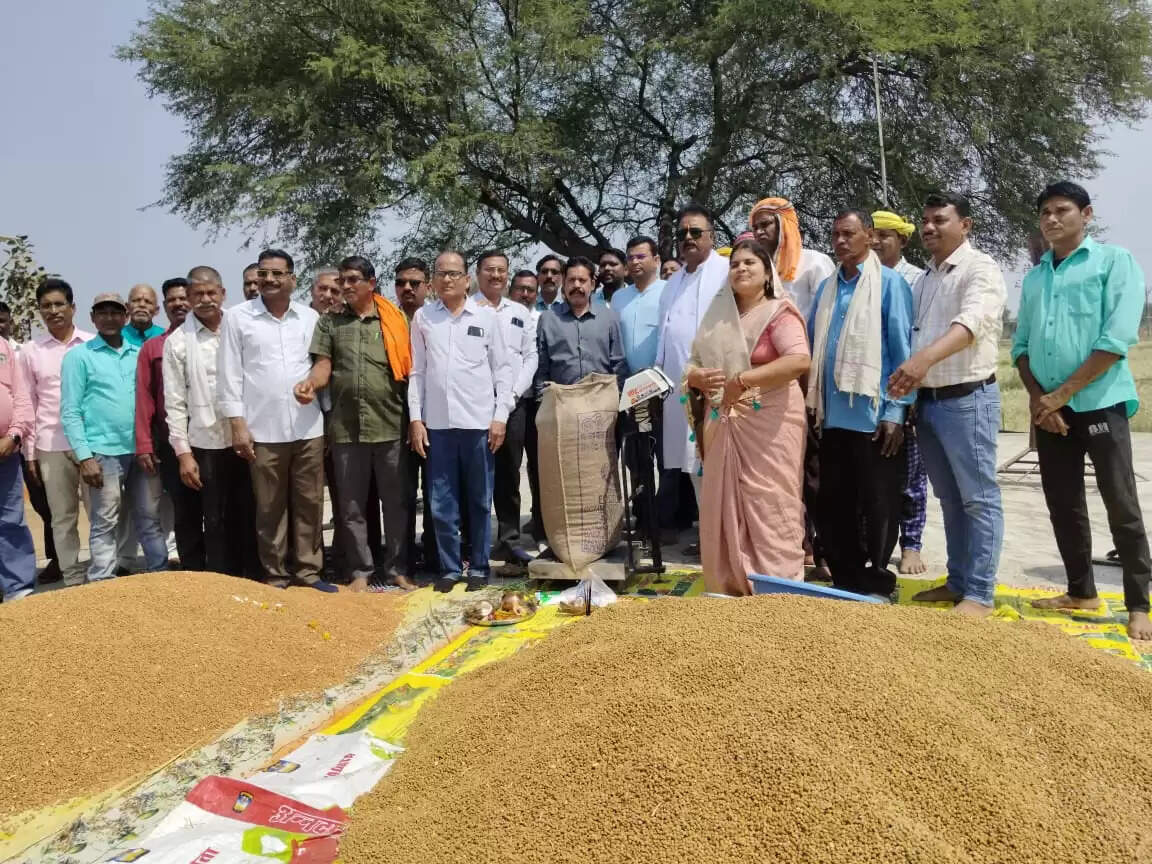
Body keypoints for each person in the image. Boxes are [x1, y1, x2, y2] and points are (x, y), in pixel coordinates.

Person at [1010, 182, 1150, 640]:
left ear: (1085, 214)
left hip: (1099, 404)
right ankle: (1081, 591)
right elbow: (1022, 346)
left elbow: (1115, 340)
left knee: (1121, 503)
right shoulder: (1035, 277)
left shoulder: (1114, 263)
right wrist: (1039, 400)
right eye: (1044, 212)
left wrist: (1062, 394)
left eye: (1062, 210)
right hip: (1050, 413)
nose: (1051, 219)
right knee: (1063, 503)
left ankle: (1139, 603)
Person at [888, 192, 1006, 616]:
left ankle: (980, 593)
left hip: (968, 398)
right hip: (930, 404)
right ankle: (958, 582)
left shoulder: (981, 269)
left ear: (966, 225)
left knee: (978, 499)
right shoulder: (925, 279)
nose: (930, 228)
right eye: (925, 220)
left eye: (940, 219)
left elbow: (970, 325)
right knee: (950, 499)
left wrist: (922, 361)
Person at [684, 239, 809, 594]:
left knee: (770, 501)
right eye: (735, 264)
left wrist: (744, 379)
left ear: (767, 273)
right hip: (723, 421)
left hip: (769, 421)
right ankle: (728, 582)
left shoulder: (778, 312)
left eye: (750, 263)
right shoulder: (718, 317)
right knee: (721, 502)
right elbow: (692, 364)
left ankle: (777, 586)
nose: (741, 268)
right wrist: (695, 377)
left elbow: (799, 361)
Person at [807, 210, 913, 598]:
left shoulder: (890, 285)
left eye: (848, 233)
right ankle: (845, 581)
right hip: (832, 418)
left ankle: (878, 582)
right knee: (833, 505)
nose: (840, 241)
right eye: (835, 235)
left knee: (879, 506)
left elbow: (902, 353)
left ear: (869, 236)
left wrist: (895, 411)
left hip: (874, 420)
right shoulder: (826, 289)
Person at [295, 255, 417, 592]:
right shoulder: (330, 323)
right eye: (342, 281)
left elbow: (412, 375)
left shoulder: (394, 321)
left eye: (352, 280)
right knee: (350, 506)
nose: (345, 287)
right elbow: (323, 365)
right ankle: (361, 571)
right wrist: (312, 383)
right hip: (347, 429)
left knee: (396, 504)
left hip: (391, 424)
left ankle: (397, 570)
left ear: (370, 284)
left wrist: (415, 421)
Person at [218, 249, 335, 591]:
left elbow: (321, 363)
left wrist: (312, 382)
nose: (268, 280)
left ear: (292, 279)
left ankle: (309, 573)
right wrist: (237, 424)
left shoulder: (309, 317)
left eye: (277, 274)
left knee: (310, 503)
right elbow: (229, 374)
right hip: (262, 428)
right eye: (263, 274)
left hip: (307, 426)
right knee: (269, 508)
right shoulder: (238, 317)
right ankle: (276, 574)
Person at [408, 251, 513, 593]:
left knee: (481, 501)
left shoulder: (486, 318)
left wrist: (500, 417)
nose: (447, 279)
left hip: (479, 424)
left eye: (454, 273)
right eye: (441, 273)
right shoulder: (424, 318)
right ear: (433, 280)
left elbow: (503, 371)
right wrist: (415, 419)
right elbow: (418, 373)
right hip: (438, 426)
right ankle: (450, 568)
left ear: (467, 279)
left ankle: (480, 566)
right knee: (441, 502)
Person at [60, 293, 168, 582]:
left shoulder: (139, 352)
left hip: (140, 450)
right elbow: (70, 412)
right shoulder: (78, 357)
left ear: (126, 316)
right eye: (102, 312)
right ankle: (102, 583)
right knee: (105, 520)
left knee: (148, 517)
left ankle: (160, 575)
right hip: (102, 453)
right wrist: (84, 457)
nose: (109, 318)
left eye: (116, 312)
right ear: (93, 317)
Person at [164, 266, 260, 580]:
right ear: (189, 298)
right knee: (216, 519)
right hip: (206, 442)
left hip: (250, 436)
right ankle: (223, 586)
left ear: (223, 294)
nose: (205, 300)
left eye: (211, 293)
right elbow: (175, 402)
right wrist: (183, 454)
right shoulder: (178, 343)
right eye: (198, 294)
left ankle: (257, 580)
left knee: (252, 512)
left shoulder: (241, 327)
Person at [656, 204, 730, 553]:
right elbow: (665, 335)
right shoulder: (672, 281)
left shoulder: (727, 272)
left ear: (712, 237)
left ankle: (725, 539)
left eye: (695, 232)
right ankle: (708, 536)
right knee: (692, 465)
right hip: (678, 390)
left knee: (717, 464)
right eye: (683, 233)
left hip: (716, 387)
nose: (688, 238)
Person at [21, 279, 93, 587]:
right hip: (50, 443)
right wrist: (30, 454)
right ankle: (73, 577)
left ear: (72, 307)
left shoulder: (92, 344)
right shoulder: (30, 352)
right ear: (39, 312)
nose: (53, 311)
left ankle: (106, 572)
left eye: (59, 304)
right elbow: (27, 402)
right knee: (62, 516)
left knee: (101, 512)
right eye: (46, 306)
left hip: (92, 443)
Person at [872, 210, 929, 576]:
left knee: (911, 478)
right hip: (869, 395)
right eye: (871, 234)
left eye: (884, 235)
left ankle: (911, 546)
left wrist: (907, 398)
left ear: (903, 240)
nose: (876, 242)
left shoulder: (916, 280)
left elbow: (915, 341)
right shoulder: (863, 278)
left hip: (906, 393)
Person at [473, 250, 537, 567]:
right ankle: (473, 543)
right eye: (489, 270)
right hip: (474, 406)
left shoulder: (519, 312)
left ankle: (508, 540)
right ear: (477, 273)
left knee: (509, 476)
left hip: (512, 405)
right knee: (475, 476)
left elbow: (530, 357)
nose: (495, 276)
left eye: (501, 271)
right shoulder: (466, 309)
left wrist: (511, 394)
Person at [135, 278, 204, 570]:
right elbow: (145, 399)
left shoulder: (215, 338)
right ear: (164, 308)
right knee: (184, 508)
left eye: (182, 298)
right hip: (173, 442)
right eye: (172, 300)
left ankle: (224, 567)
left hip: (213, 438)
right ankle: (194, 568)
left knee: (220, 507)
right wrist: (145, 445)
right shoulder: (153, 348)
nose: (178, 304)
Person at [614, 236, 667, 539]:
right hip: (628, 390)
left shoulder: (668, 292)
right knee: (636, 457)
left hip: (660, 387)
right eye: (630, 257)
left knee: (666, 458)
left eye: (641, 256)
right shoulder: (620, 298)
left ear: (656, 259)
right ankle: (644, 518)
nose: (634, 262)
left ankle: (666, 519)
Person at [394, 257, 437, 573]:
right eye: (401, 283)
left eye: (414, 283)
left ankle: (437, 556)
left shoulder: (437, 319)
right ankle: (404, 558)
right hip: (396, 421)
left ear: (429, 286)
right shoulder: (386, 321)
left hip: (436, 419)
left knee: (437, 493)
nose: (407, 289)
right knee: (402, 494)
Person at [0, 320, 37, 601]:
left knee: (10, 520)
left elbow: (21, 396)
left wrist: (13, 436)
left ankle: (18, 588)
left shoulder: (2, 346)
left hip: (6, 450)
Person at [749, 197, 835, 318]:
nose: (758, 232)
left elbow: (827, 312)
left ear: (783, 224)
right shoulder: (760, 268)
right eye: (755, 228)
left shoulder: (815, 261)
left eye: (765, 224)